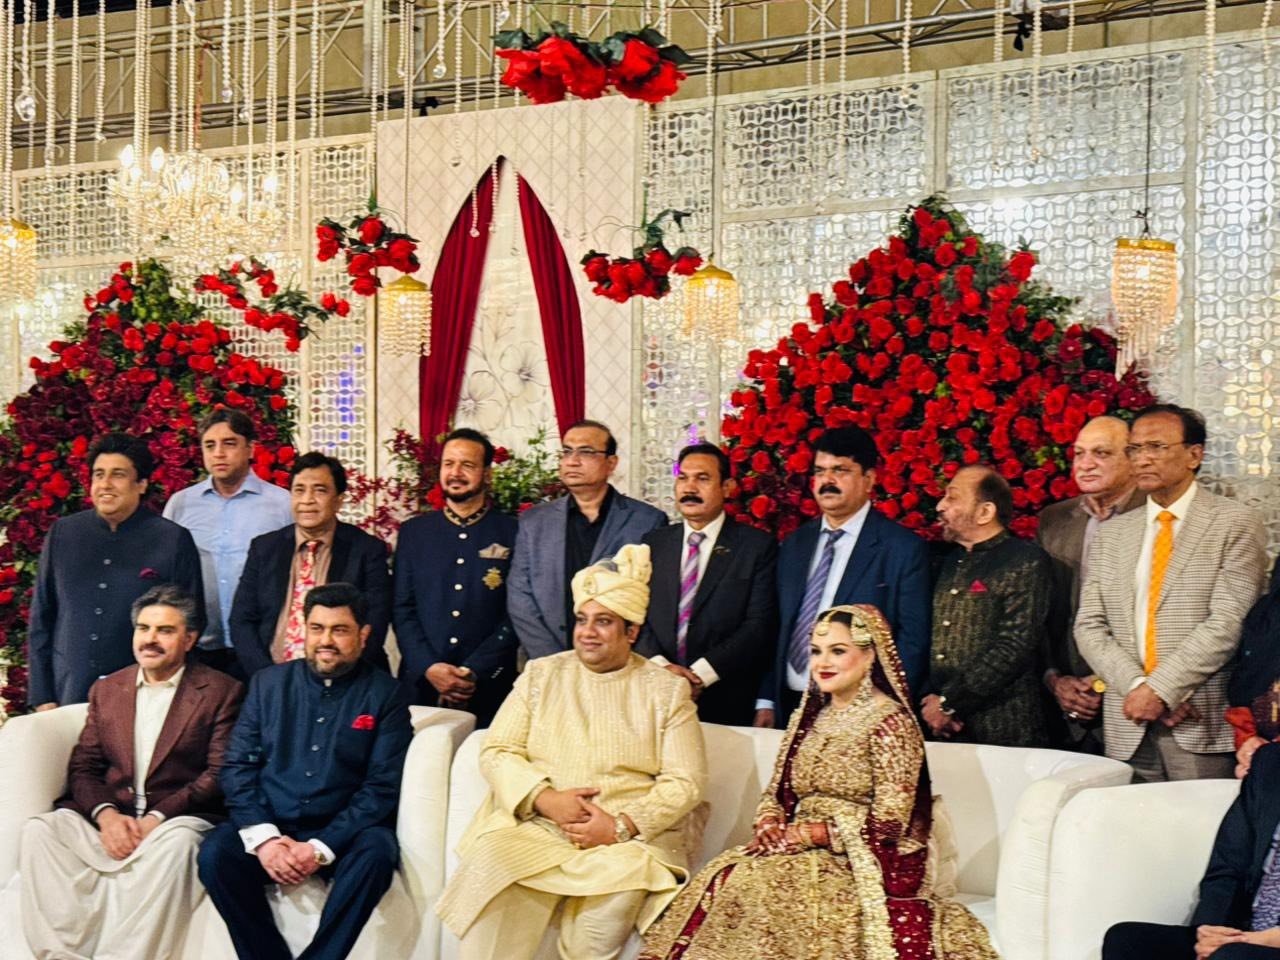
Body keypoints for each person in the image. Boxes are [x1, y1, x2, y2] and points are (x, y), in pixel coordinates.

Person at [640, 604, 997, 960]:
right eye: (815, 651)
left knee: (768, 889)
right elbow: (777, 791)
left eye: (838, 651)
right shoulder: (810, 718)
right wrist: (769, 822)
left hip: (857, 858)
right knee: (728, 875)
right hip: (793, 846)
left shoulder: (892, 724)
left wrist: (814, 834)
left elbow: (891, 823)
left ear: (870, 655)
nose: (822, 662)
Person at [437, 544, 708, 960]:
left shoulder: (666, 691)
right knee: (489, 914)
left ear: (631, 632)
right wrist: (545, 798)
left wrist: (620, 826)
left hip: (625, 845)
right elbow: (498, 749)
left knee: (594, 935)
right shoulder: (542, 674)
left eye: (604, 622)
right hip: (540, 827)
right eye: (582, 620)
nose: (587, 632)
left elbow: (685, 782)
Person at [20, 585, 244, 960]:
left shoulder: (221, 691)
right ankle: (59, 955)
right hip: (115, 816)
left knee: (179, 844)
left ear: (189, 639)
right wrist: (106, 815)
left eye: (165, 630)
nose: (150, 639)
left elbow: (218, 772)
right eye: (144, 628)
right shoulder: (108, 689)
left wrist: (157, 818)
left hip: (175, 820)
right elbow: (84, 766)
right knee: (41, 830)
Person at [198, 582, 413, 960]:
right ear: (304, 630)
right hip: (274, 821)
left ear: (363, 635)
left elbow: (382, 786)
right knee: (216, 854)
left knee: (378, 852)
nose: (326, 640)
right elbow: (238, 768)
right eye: (317, 628)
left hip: (343, 832)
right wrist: (265, 840)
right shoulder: (268, 684)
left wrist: (320, 848)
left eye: (339, 630)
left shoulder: (385, 694)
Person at [1076, 404, 1267, 782]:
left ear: (1194, 455)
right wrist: (1137, 688)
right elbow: (1089, 626)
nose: (1143, 459)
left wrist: (1163, 690)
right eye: (1135, 449)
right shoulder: (1113, 534)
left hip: (1198, 718)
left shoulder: (1234, 523)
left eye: (1157, 447)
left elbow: (1229, 622)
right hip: (1127, 719)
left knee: (1199, 820)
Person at [757, 426, 931, 730]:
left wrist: (881, 709)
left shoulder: (901, 548)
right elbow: (777, 626)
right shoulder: (795, 544)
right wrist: (767, 699)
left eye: (840, 470)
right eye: (820, 471)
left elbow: (912, 641)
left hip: (860, 711)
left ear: (869, 479)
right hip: (789, 704)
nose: (828, 480)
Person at [27, 432, 205, 710]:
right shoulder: (63, 533)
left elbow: (191, 622)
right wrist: (43, 697)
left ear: (142, 484)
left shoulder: (172, 539)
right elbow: (42, 618)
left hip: (145, 697)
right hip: (68, 692)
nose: (105, 484)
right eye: (98, 475)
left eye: (118, 475)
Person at [638, 442, 779, 726]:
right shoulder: (654, 543)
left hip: (726, 698)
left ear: (727, 487)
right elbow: (635, 614)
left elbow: (759, 625)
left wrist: (699, 676)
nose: (689, 488)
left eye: (702, 478)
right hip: (656, 693)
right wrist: (663, 669)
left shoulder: (755, 547)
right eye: (683, 478)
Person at [1101, 743, 1280, 959]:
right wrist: (1211, 933)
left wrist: (1249, 941)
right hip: (1246, 933)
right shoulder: (1270, 761)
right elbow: (1228, 864)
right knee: (1126, 939)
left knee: (1230, 955)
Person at [507, 419, 666, 659]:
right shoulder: (534, 521)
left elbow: (653, 599)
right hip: (547, 660)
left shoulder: (646, 521)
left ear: (611, 463)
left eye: (586, 452)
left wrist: (625, 658)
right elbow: (520, 595)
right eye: (567, 451)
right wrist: (553, 660)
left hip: (620, 661)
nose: (572, 461)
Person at [393, 428, 519, 726]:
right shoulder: (414, 533)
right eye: (448, 464)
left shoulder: (513, 532)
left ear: (487, 474)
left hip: (490, 685)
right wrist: (429, 666)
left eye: (467, 465)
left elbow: (517, 613)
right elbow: (401, 609)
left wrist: (475, 669)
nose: (455, 473)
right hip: (421, 685)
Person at [921, 465, 1052, 747]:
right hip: (943, 726)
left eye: (952, 497)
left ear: (985, 512)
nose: (940, 506)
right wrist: (933, 701)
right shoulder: (946, 561)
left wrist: (950, 702)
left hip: (1005, 725)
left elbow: (1014, 646)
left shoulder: (1024, 560)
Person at [1036, 416, 1145, 750]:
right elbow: (1041, 612)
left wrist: (1105, 682)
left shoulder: (1155, 517)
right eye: (1079, 453)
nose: (1085, 464)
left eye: (1101, 453)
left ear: (1133, 458)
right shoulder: (1054, 519)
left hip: (1137, 699)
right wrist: (1054, 679)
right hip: (1064, 701)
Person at [229, 452, 392, 675]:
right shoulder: (265, 548)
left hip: (346, 678)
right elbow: (242, 621)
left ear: (339, 500)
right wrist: (267, 678)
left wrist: (339, 677)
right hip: (271, 674)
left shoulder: (367, 550)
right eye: (299, 490)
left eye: (320, 490)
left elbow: (375, 625)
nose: (307, 500)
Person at [164, 409, 293, 673]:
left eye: (229, 443)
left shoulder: (282, 504)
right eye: (210, 445)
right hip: (197, 647)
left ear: (251, 449)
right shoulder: (181, 504)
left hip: (261, 646)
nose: (219, 453)